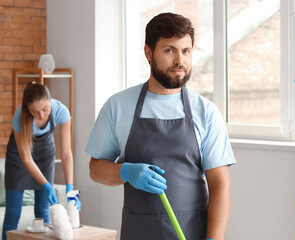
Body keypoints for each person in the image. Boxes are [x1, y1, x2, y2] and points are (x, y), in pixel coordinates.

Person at [86, 12, 236, 240]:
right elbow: (96, 170)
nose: (180, 61)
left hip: (191, 233)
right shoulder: (118, 106)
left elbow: (219, 186)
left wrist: (214, 239)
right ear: (148, 52)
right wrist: (125, 171)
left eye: (186, 51)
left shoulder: (206, 112)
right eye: (169, 50)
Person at [2, 82, 81, 240]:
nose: (42, 116)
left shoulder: (61, 111)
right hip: (19, 158)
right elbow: (26, 158)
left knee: (43, 211)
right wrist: (47, 186)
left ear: (50, 101)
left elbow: (66, 154)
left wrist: (70, 188)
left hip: (45, 155)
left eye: (45, 109)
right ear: (27, 109)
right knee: (12, 213)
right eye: (35, 112)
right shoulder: (19, 117)